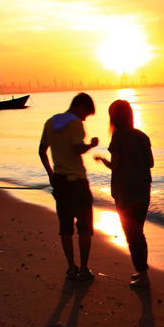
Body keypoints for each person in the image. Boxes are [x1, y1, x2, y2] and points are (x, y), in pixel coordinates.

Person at [39, 93, 99, 280]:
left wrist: (51, 174)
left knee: (65, 228)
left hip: (60, 181)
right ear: (80, 105)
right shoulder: (75, 124)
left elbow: (42, 150)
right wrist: (90, 145)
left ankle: (71, 268)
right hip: (77, 183)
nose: (85, 118)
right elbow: (76, 148)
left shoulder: (50, 122)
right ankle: (83, 269)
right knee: (85, 229)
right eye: (86, 113)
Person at [99, 99, 154, 288]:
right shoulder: (142, 136)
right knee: (139, 233)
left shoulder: (119, 137)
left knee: (132, 235)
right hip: (143, 192)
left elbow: (115, 166)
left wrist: (102, 160)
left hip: (126, 194)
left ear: (114, 118)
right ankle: (142, 272)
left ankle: (144, 276)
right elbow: (150, 163)